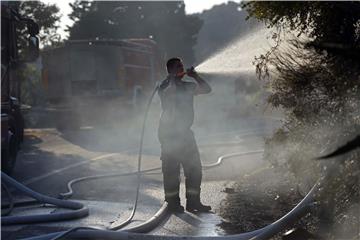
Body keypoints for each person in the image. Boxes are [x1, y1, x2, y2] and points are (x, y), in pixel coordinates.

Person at [158, 57, 212, 213]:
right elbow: (169, 94)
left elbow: (207, 89)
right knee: (171, 171)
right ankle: (172, 203)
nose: (182, 68)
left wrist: (195, 76)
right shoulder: (164, 86)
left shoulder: (188, 86)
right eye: (178, 67)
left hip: (185, 133)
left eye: (182, 66)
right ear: (170, 70)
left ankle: (194, 202)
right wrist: (172, 79)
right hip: (169, 134)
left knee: (195, 169)